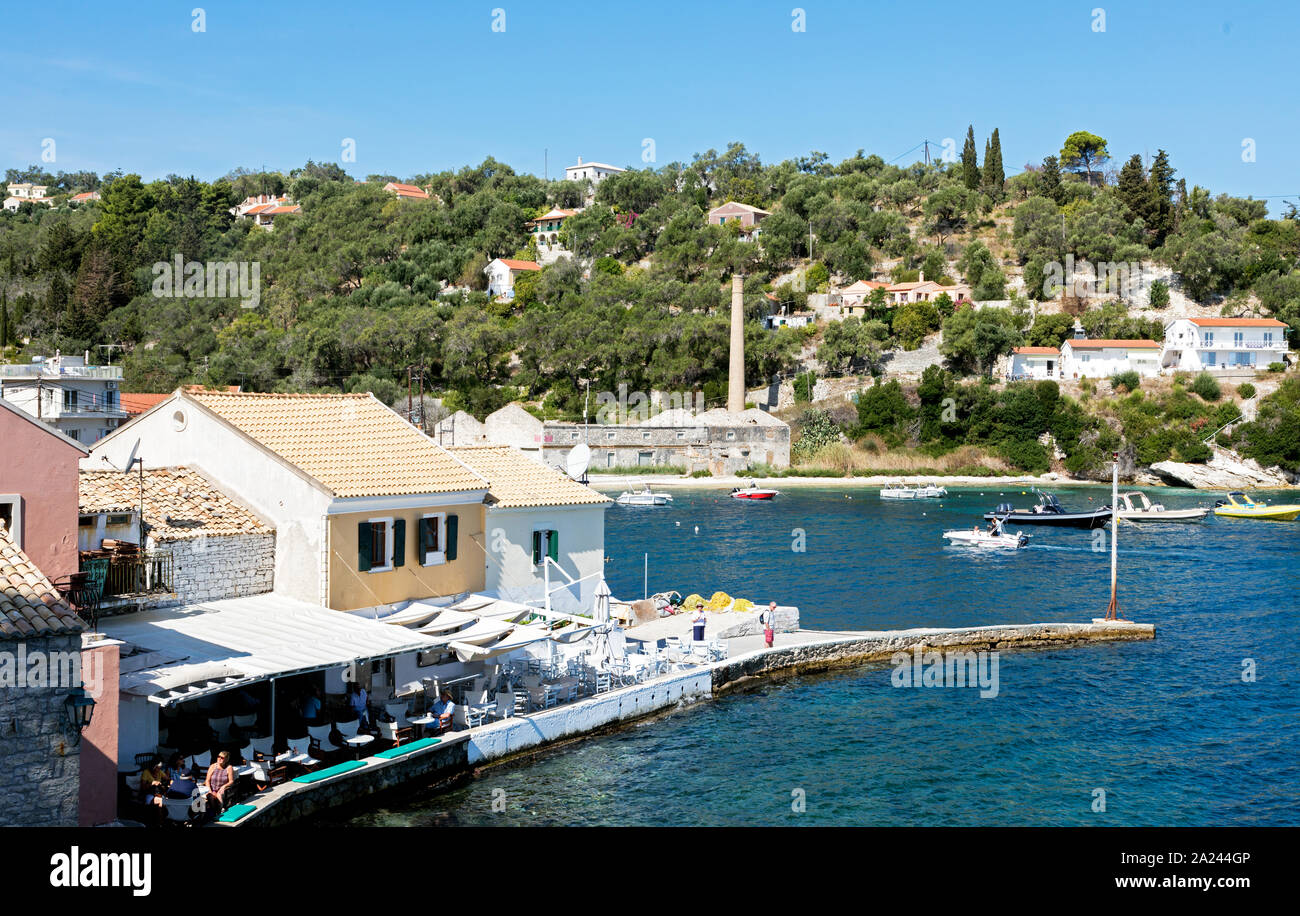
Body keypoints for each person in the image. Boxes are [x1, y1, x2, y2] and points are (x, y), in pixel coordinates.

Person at [204, 750, 236, 818]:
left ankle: (219, 813)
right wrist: (210, 790)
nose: (219, 759)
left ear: (226, 759)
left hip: (222, 789)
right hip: (212, 788)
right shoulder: (213, 766)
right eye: (219, 756)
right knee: (210, 796)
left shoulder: (229, 767)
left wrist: (223, 786)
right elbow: (207, 780)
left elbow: (231, 781)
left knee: (219, 795)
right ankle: (214, 813)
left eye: (222, 757)